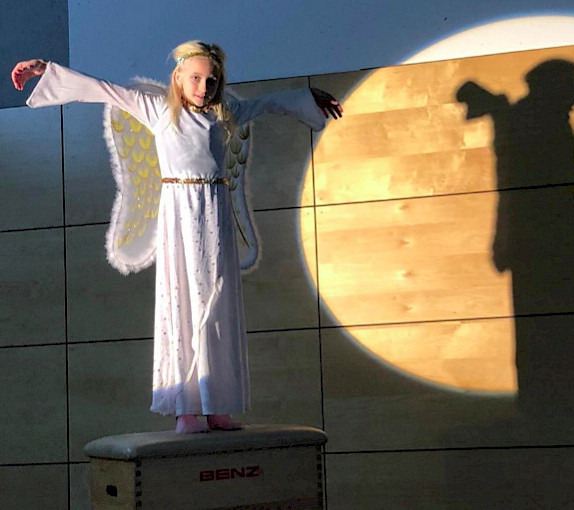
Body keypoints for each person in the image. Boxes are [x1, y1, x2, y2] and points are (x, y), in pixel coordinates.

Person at [12, 41, 342, 434]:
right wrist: (43, 67)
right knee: (183, 301)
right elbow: (102, 89)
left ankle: (217, 404)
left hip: (215, 214)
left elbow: (269, 103)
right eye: (196, 78)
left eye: (211, 80)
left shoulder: (225, 114)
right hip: (180, 215)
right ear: (179, 78)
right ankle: (187, 408)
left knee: (218, 305)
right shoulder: (156, 109)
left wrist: (307, 96)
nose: (204, 87)